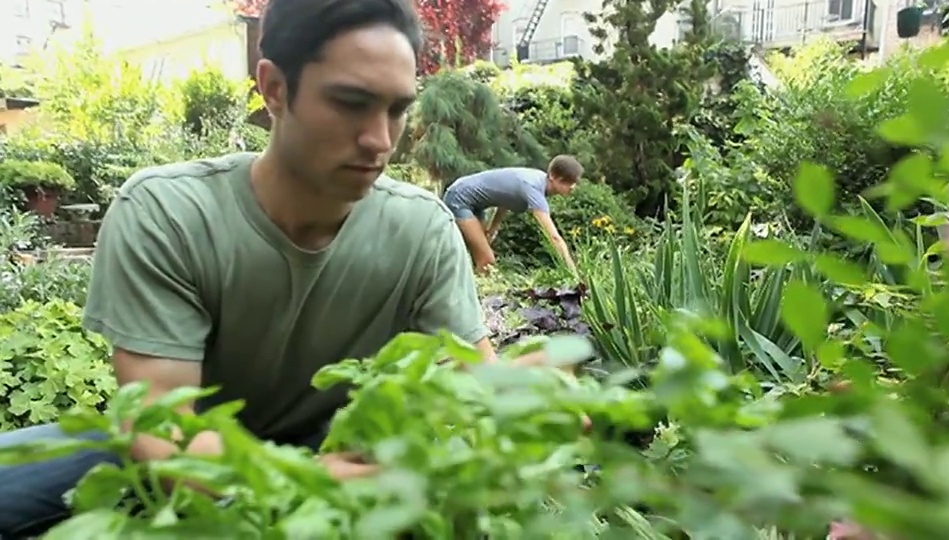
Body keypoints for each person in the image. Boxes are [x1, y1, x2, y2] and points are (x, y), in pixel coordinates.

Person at [0, 0, 563, 536]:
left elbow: (476, 379)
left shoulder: (423, 231)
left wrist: (530, 395)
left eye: (396, 109)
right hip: (182, 442)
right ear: (273, 88)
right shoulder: (168, 212)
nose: (380, 140)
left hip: (335, 444)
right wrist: (304, 482)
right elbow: (160, 434)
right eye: (349, 102)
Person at [442, 156, 583, 275]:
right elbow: (554, 237)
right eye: (568, 181)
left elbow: (506, 197)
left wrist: (492, 229)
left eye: (574, 182)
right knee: (487, 261)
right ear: (552, 176)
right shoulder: (533, 188)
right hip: (459, 198)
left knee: (480, 253)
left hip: (476, 204)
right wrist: (573, 272)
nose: (572, 187)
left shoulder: (538, 180)